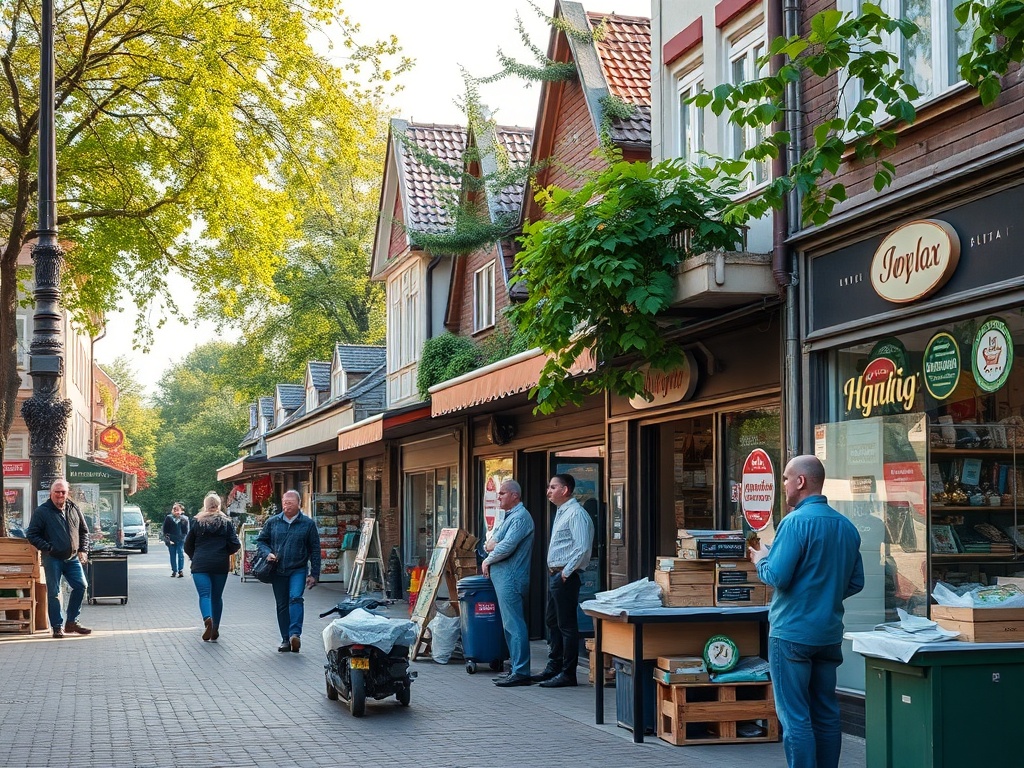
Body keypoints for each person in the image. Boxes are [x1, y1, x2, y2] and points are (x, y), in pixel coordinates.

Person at [749, 455, 865, 768]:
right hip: (828, 633)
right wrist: (824, 595)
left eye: (786, 478)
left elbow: (777, 576)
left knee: (795, 717)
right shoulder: (847, 527)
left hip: (791, 633)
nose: (783, 484)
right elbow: (856, 582)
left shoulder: (795, 522)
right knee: (827, 713)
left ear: (800, 482)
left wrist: (762, 558)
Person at [532, 473, 594, 688]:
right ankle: (554, 666)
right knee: (552, 621)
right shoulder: (562, 512)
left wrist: (566, 572)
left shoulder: (576, 514)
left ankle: (568, 673)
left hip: (565, 576)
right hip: (557, 575)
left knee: (567, 625)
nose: (548, 491)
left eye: (552, 487)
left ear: (565, 490)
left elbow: (583, 546)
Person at [482, 480, 535, 688]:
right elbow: (491, 542)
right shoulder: (509, 517)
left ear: (515, 495)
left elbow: (506, 546)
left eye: (502, 493)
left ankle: (521, 671)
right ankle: (515, 668)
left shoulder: (521, 518)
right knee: (509, 625)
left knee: (514, 624)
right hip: (504, 577)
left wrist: (488, 559)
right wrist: (493, 546)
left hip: (511, 578)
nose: (499, 497)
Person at [25, 478, 92, 638]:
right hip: (52, 558)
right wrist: (48, 547)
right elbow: (32, 534)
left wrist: (83, 549)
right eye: (57, 492)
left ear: (67, 493)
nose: (60, 495)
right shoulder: (42, 511)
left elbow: (84, 531)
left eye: (63, 492)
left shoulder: (74, 508)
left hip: (72, 557)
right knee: (54, 593)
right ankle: (57, 626)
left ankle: (71, 622)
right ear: (51, 493)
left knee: (81, 586)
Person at [256, 490, 320, 653]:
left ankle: (295, 634)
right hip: (277, 570)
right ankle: (285, 639)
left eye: (290, 502)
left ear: (299, 504)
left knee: (296, 598)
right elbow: (261, 541)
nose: (287, 505)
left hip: (298, 568)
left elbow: (315, 549)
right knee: (282, 604)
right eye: (285, 502)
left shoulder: (308, 524)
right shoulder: (273, 522)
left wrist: (314, 574)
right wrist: (267, 553)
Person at [184, 492, 241, 642]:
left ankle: (207, 619)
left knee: (204, 595)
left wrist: (194, 556)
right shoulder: (226, 522)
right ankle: (215, 629)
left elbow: (187, 545)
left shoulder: (197, 522)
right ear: (219, 505)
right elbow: (236, 544)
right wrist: (224, 552)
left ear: (205, 505)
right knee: (217, 597)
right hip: (220, 565)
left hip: (200, 564)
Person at [162, 502, 190, 578]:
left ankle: (180, 570)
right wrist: (167, 539)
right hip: (171, 539)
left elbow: (186, 531)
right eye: (174, 509)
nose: (175, 511)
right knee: (172, 555)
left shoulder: (185, 519)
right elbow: (165, 530)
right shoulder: (169, 518)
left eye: (177, 509)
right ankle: (174, 570)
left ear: (181, 510)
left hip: (180, 540)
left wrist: (185, 540)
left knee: (181, 554)